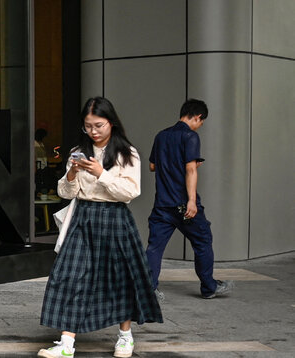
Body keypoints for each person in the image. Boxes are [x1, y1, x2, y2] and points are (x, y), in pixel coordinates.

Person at [38, 97, 161, 358]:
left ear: (111, 123)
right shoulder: (78, 150)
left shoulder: (126, 153)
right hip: (83, 217)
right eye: (88, 126)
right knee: (70, 276)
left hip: (114, 218)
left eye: (98, 125)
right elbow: (65, 192)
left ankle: (125, 337)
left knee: (120, 277)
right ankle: (66, 344)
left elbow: (130, 192)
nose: (93, 131)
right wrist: (72, 174)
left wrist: (101, 173)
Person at [145, 99, 231, 301]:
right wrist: (192, 201)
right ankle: (209, 287)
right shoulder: (190, 136)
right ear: (198, 117)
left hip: (162, 205)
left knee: (154, 248)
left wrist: (174, 164)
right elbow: (190, 170)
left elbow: (152, 166)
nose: (200, 126)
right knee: (203, 240)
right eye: (201, 122)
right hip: (184, 205)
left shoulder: (161, 135)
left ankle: (148, 291)